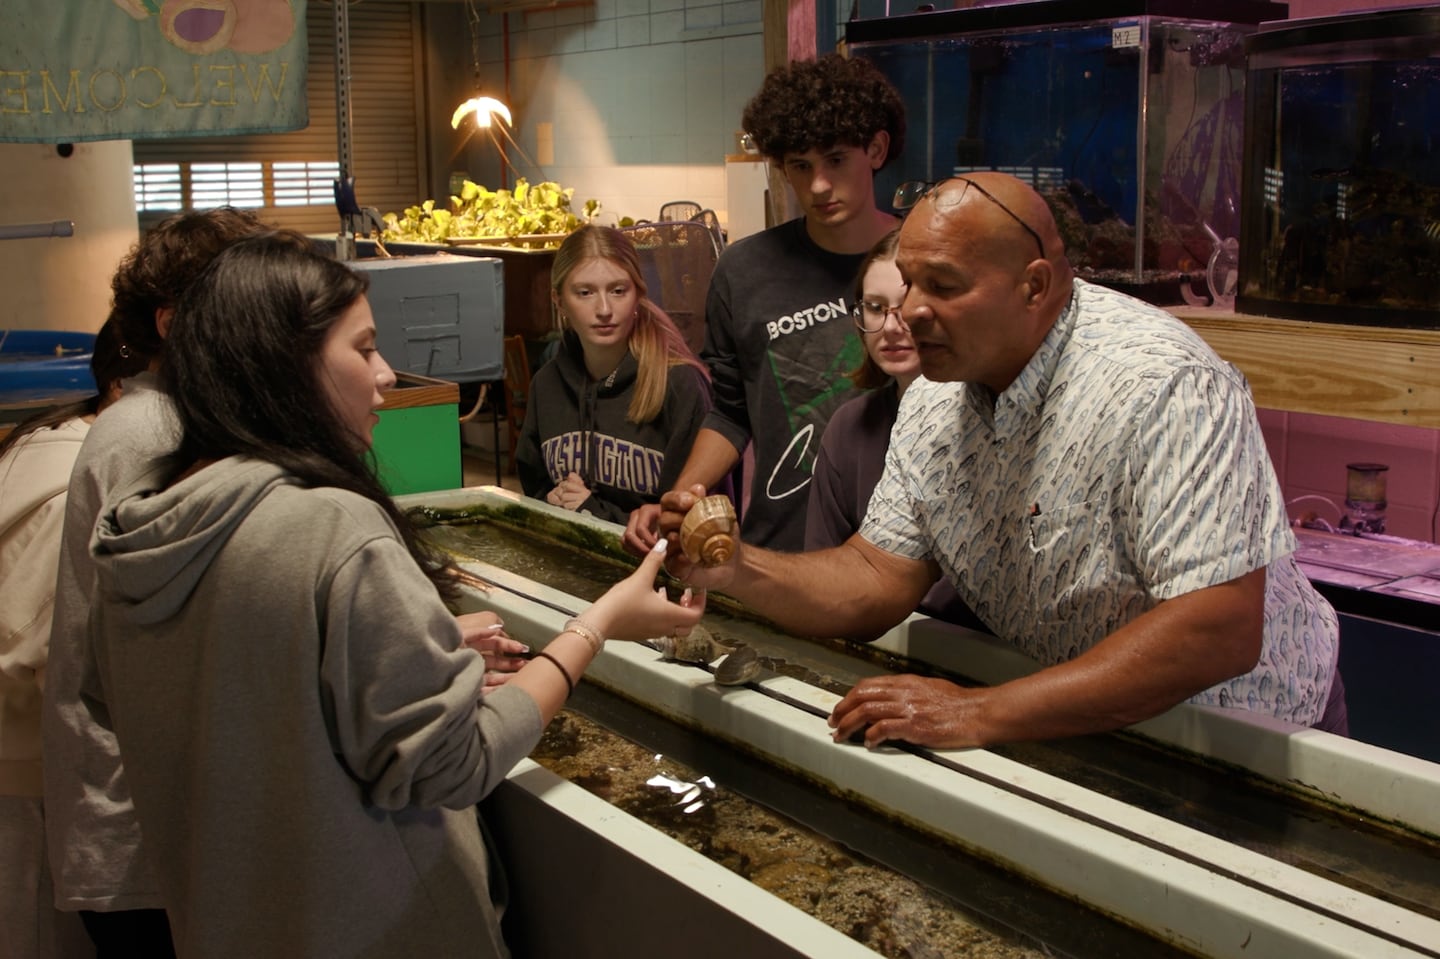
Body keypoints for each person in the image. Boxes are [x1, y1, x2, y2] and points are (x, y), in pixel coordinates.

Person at [80, 235, 704, 957]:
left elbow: (130, 690)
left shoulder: (143, 517)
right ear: (286, 365)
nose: (384, 376)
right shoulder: (334, 526)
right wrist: (596, 625)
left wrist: (392, 649)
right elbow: (454, 762)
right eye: (365, 348)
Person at [663, 172, 1345, 749]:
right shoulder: (935, 396)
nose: (911, 312)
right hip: (1093, 717)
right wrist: (738, 568)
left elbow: (1218, 626)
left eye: (944, 286)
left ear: (1034, 285)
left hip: (1247, 734)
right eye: (906, 283)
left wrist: (978, 709)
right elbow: (876, 573)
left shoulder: (1160, 385)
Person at [43, 208, 274, 956]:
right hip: (138, 835)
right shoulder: (153, 435)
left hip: (150, 822)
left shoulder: (165, 422)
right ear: (176, 323)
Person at [623, 53, 906, 556]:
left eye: (836, 159)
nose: (818, 184)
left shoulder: (925, 260)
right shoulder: (745, 270)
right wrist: (683, 496)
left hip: (903, 551)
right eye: (800, 165)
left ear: (877, 149)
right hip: (783, 548)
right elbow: (731, 412)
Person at [0, 321, 147, 959]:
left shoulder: (46, 443)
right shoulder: (81, 494)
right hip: (31, 787)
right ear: (119, 389)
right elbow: (68, 675)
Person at [803, 229, 978, 629]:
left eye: (904, 307)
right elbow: (823, 571)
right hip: (878, 638)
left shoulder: (982, 420)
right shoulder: (849, 429)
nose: (892, 327)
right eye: (876, 307)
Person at [517, 225, 713, 523]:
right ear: (559, 301)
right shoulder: (547, 385)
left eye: (618, 290)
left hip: (657, 566)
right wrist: (550, 501)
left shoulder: (678, 384)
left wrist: (593, 512)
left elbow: (690, 522)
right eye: (585, 293)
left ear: (638, 295)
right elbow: (533, 488)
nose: (604, 309)